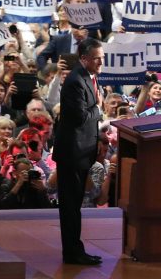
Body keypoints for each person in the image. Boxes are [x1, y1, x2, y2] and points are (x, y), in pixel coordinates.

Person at [55, 38, 104, 266]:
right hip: (72, 154)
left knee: (74, 205)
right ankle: (73, 252)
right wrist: (99, 109)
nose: (101, 61)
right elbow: (81, 117)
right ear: (84, 58)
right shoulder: (76, 81)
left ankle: (75, 250)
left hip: (82, 152)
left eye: (102, 57)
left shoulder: (88, 77)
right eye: (97, 58)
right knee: (71, 206)